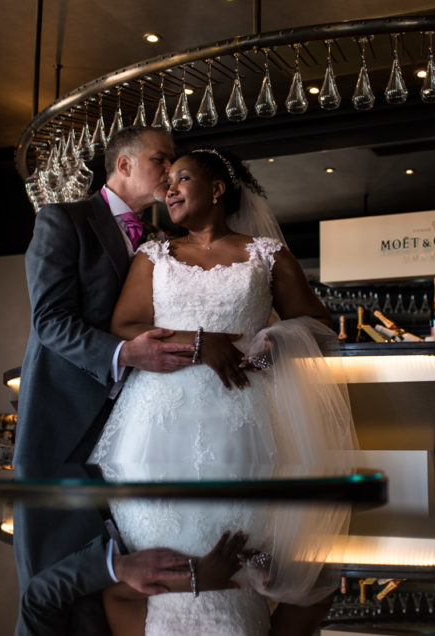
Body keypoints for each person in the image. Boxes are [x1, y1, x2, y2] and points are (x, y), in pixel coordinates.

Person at [90, 147, 358, 635]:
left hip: (243, 414)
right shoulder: (156, 255)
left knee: (248, 509)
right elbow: (125, 324)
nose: (168, 189)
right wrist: (197, 343)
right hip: (159, 418)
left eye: (182, 178)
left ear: (217, 189)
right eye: (166, 180)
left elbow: (317, 325)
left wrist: (275, 342)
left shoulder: (267, 255)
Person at [14, 127, 198, 634]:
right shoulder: (63, 221)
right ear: (122, 165)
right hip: (63, 426)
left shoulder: (160, 241)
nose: (170, 171)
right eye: (160, 160)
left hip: (132, 430)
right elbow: (49, 321)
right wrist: (123, 352)